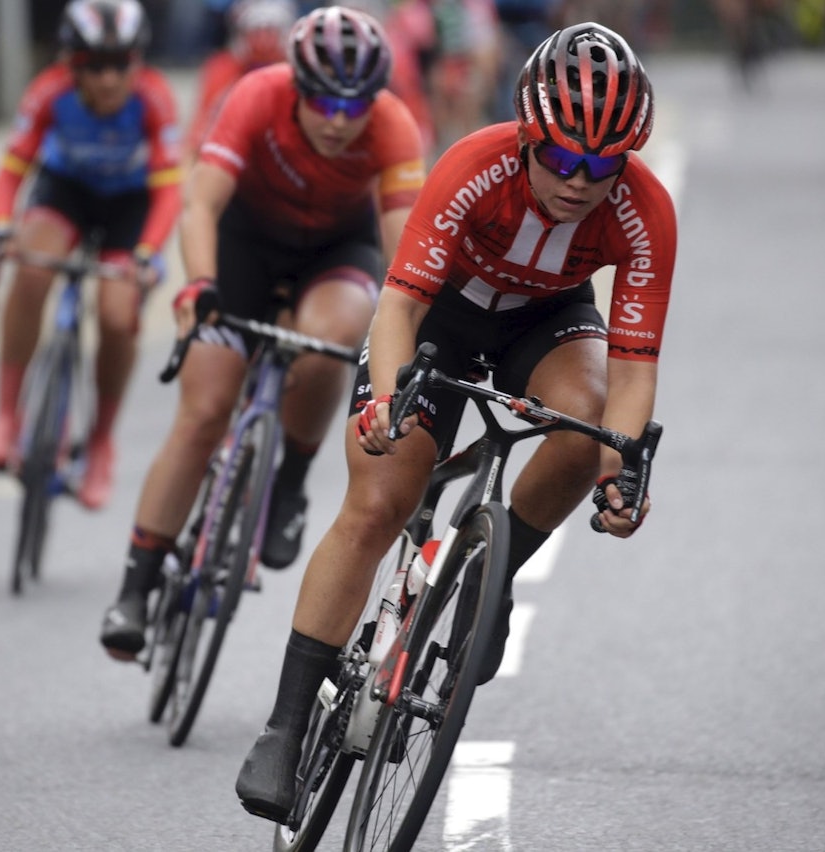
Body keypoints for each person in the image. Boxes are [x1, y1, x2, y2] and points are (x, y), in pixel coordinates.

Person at [235, 21, 676, 822]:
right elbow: (398, 303)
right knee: (378, 500)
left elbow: (636, 370)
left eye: (603, 165)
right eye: (562, 159)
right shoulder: (474, 165)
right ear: (529, 139)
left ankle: (489, 576)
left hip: (546, 324)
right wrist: (381, 403)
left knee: (590, 424)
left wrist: (622, 474)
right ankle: (286, 725)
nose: (580, 181)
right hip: (441, 316)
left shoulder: (646, 211)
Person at [99, 5, 426, 660]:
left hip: (337, 248)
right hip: (245, 241)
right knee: (204, 412)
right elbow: (201, 202)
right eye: (323, 103)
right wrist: (198, 285)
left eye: (353, 105)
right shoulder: (256, 93)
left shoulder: (393, 125)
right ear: (296, 86)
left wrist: (414, 327)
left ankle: (291, 479)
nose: (338, 121)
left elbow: (407, 259)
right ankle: (135, 587)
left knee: (332, 337)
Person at [0, 0, 182, 511]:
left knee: (117, 312)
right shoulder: (49, 93)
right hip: (66, 192)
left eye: (121, 64)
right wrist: (0, 228)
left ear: (138, 62)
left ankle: (102, 440)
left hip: (129, 205)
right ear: (70, 63)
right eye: (94, 65)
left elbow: (171, 192)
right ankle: (7, 415)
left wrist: (148, 254)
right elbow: (9, 173)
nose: (109, 79)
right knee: (30, 266)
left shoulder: (154, 99)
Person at [184, 0, 298, 159]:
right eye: (257, 32)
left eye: (270, 31)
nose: (263, 39)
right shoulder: (221, 68)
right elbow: (198, 137)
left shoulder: (297, 71)